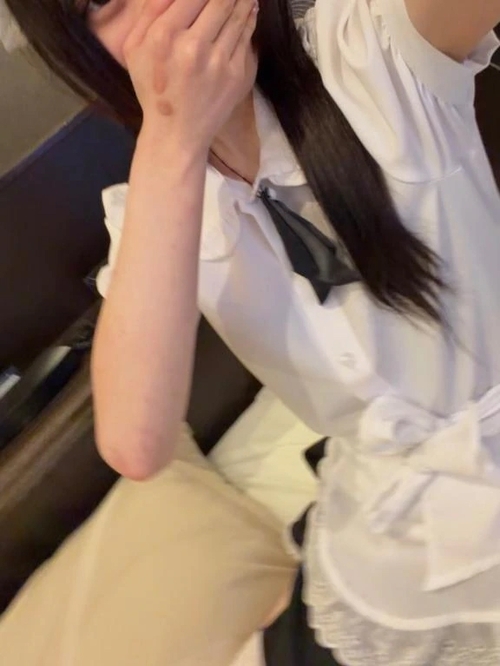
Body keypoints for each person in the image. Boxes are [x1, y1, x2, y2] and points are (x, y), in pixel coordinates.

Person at [2, 0, 500, 663]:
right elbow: (135, 442)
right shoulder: (157, 208)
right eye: (108, 3)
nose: (165, 10)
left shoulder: (371, 48)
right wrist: (174, 139)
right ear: (87, 50)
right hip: (383, 530)